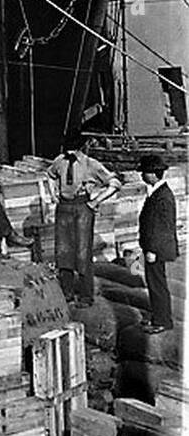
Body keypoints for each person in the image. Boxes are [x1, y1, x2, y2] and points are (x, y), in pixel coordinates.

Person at [46, 134, 121, 306]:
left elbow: (115, 183)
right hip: (63, 207)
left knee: (82, 252)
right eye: (67, 148)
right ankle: (67, 293)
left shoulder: (91, 164)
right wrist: (53, 194)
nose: (69, 151)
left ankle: (86, 297)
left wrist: (95, 201)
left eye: (73, 148)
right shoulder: (60, 160)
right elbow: (50, 175)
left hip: (82, 208)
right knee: (63, 252)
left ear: (80, 148)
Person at [138, 155, 178, 333]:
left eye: (145, 172)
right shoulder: (155, 192)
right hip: (152, 247)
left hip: (156, 248)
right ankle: (158, 317)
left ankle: (162, 321)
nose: (142, 176)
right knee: (154, 282)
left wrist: (152, 249)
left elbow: (162, 227)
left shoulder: (163, 197)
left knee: (157, 284)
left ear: (154, 174)